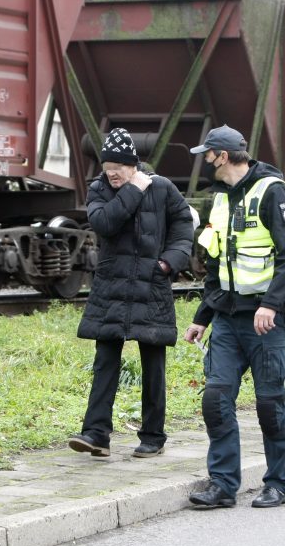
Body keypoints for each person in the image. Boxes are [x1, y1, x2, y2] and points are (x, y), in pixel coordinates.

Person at [183, 125, 285, 509]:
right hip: (228, 320)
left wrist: (270, 304)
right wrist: (202, 316)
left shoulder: (272, 191)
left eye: (207, 154)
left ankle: (277, 484)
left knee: (270, 405)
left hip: (266, 320)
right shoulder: (221, 199)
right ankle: (222, 485)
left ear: (222, 155)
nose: (204, 161)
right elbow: (218, 265)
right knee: (216, 399)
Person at [70, 127, 194, 458]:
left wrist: (169, 263)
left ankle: (153, 436)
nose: (111, 173)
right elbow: (105, 224)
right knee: (105, 361)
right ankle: (96, 434)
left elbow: (184, 225)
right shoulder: (99, 189)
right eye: (107, 167)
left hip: (151, 287)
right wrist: (134, 190)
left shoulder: (164, 188)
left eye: (118, 168)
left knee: (153, 365)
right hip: (112, 288)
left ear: (133, 165)